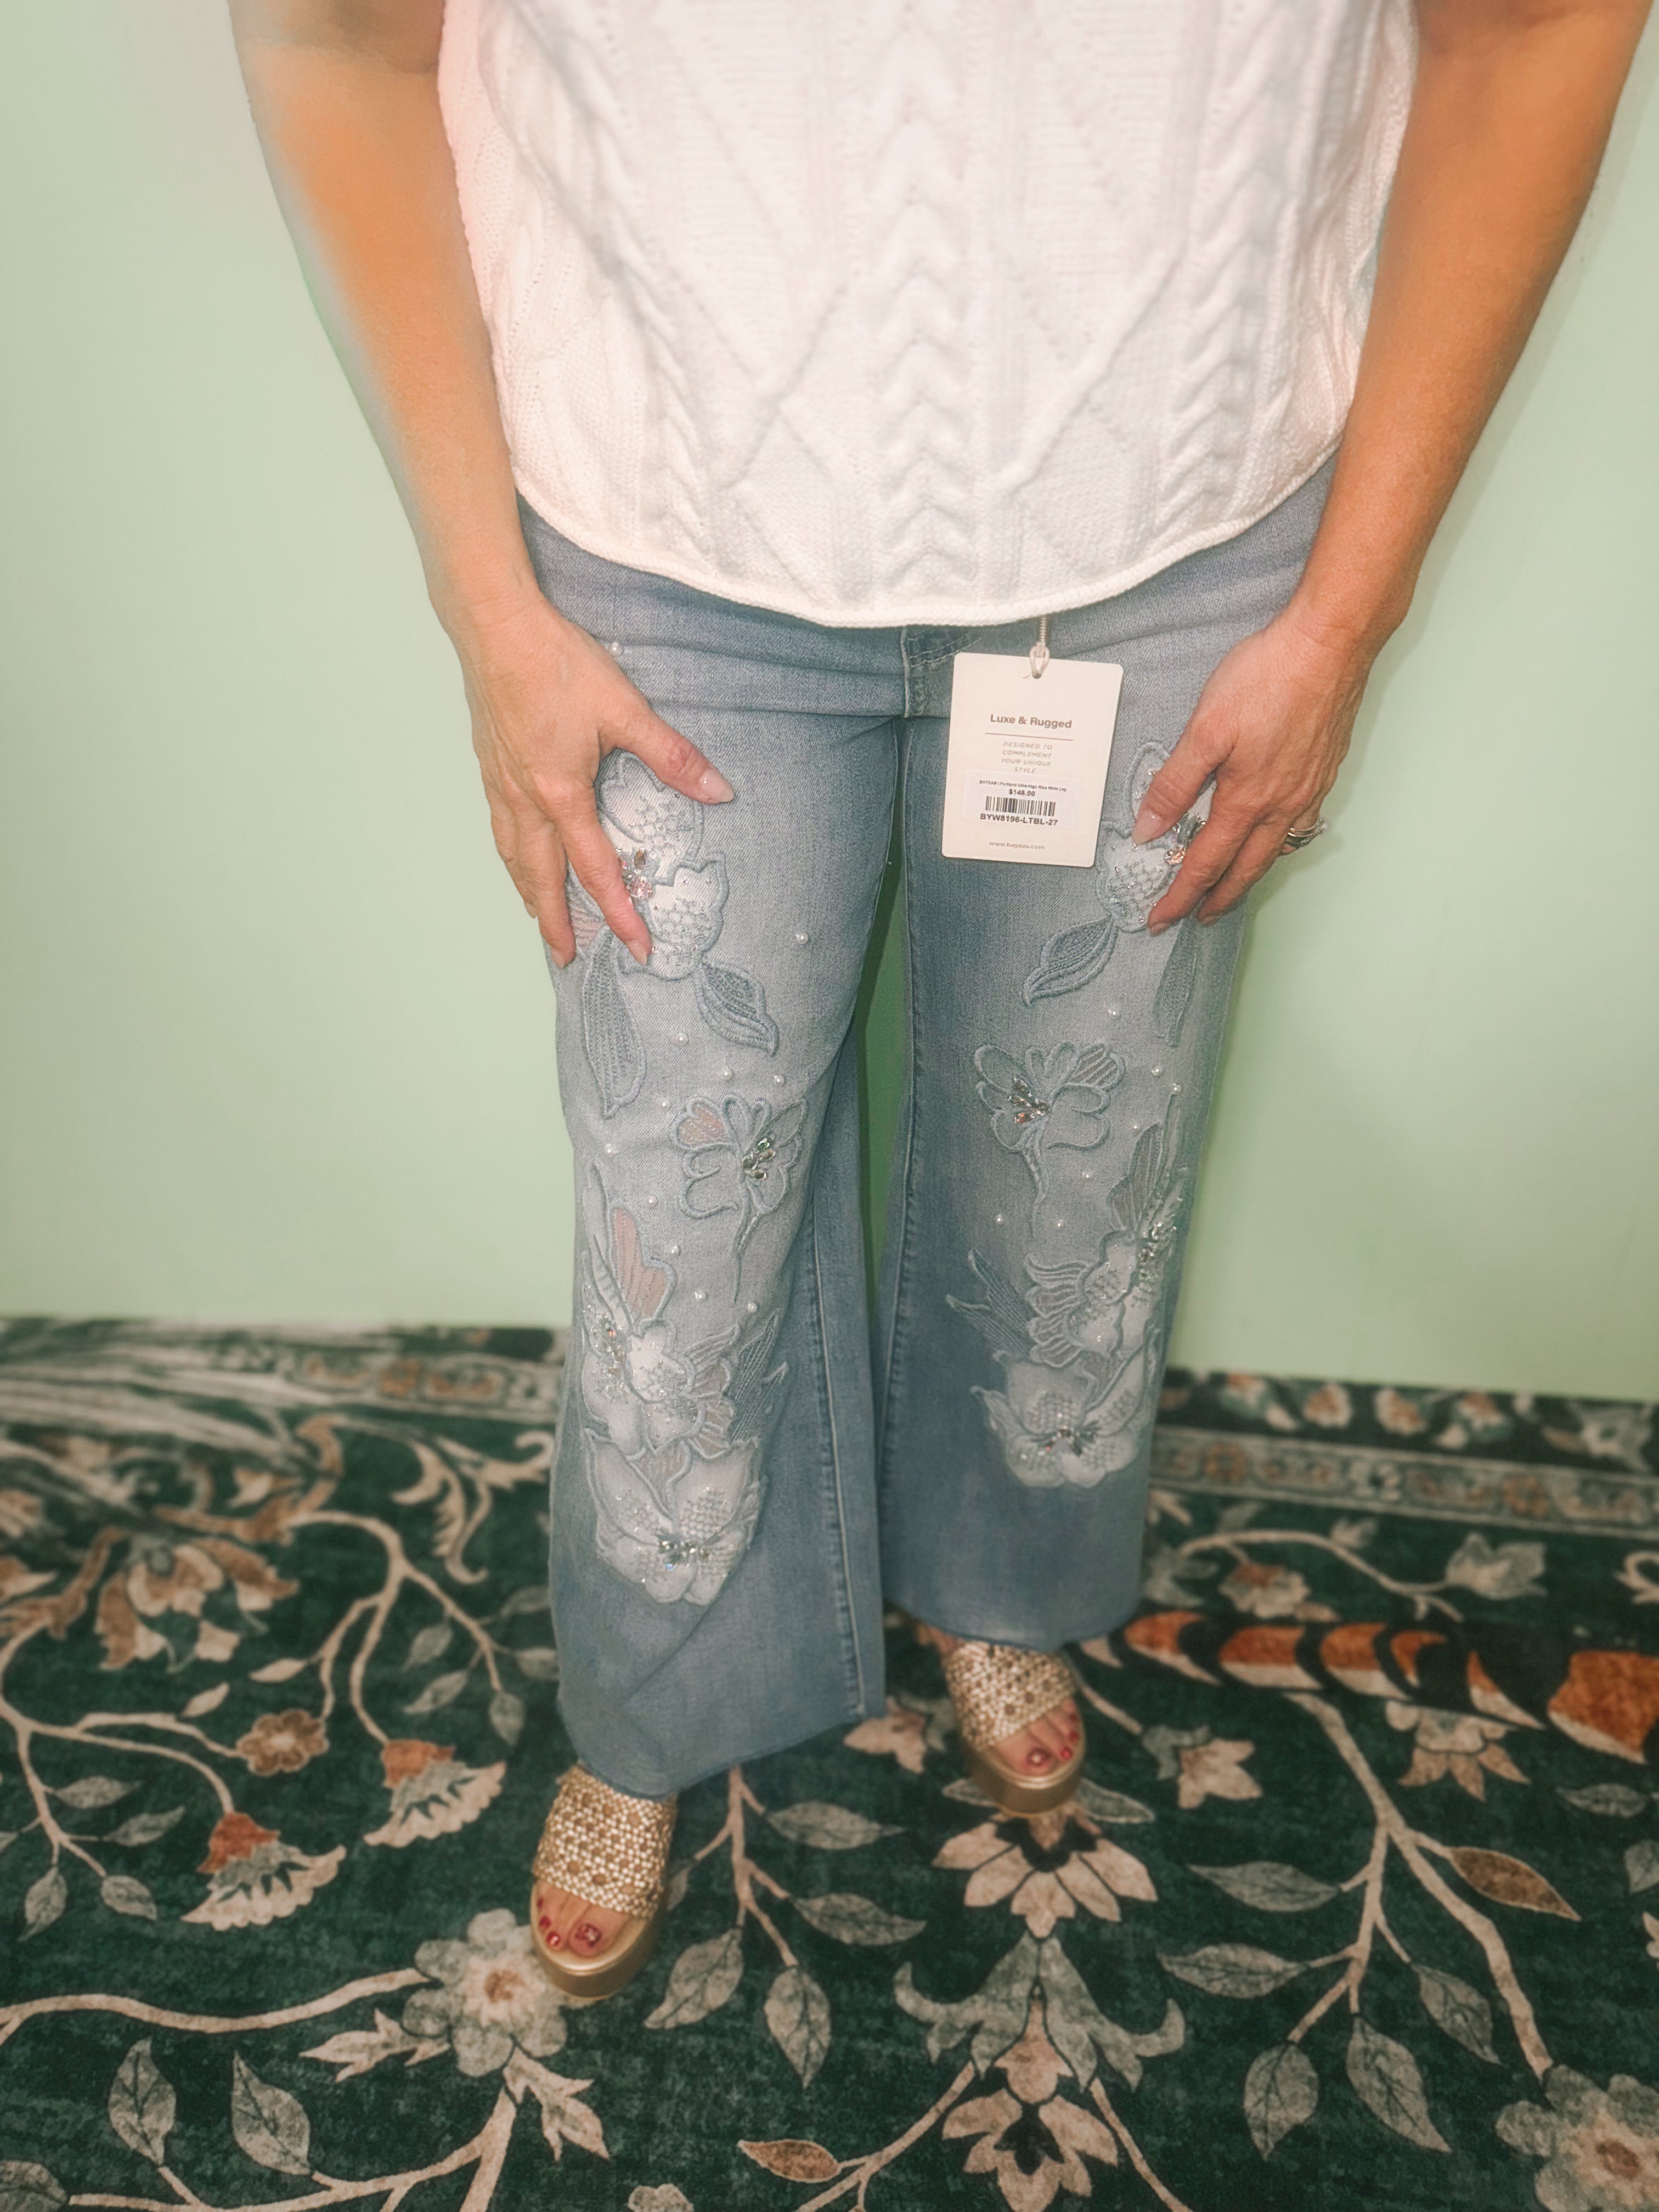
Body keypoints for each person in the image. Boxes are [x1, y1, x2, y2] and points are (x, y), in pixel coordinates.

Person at [228, 0, 1649, 2000]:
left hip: (1174, 530)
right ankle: (662, 1692)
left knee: (1080, 1164)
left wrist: (1348, 615)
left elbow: (1541, 24)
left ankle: (1000, 1576)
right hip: (657, 530)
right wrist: (485, 608)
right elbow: (335, 40)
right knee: (677, 1208)